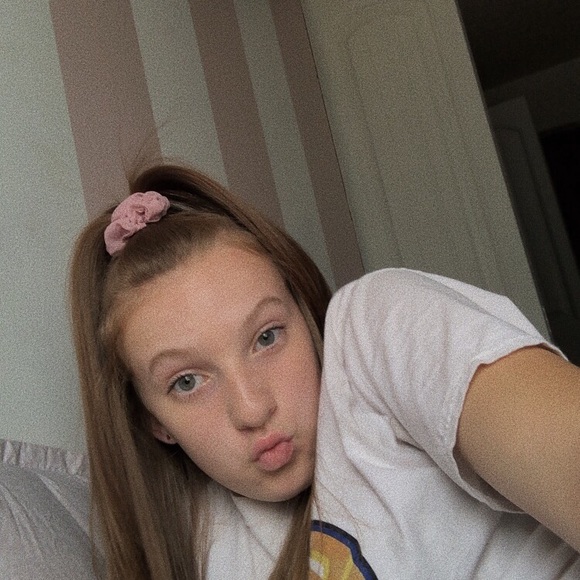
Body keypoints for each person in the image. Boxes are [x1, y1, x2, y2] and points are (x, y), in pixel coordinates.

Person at [69, 162, 580, 579]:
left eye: (267, 337)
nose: (253, 408)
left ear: (306, 314)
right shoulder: (193, 545)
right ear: (152, 420)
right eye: (187, 382)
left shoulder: (374, 331)